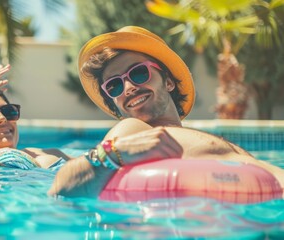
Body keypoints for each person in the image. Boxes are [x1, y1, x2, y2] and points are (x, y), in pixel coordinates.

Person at [48, 26, 284, 197]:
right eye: (115, 85)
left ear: (169, 82)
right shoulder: (133, 129)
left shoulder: (185, 134)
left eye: (138, 73)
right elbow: (61, 186)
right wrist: (113, 152)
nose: (129, 88)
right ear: (115, 102)